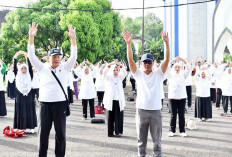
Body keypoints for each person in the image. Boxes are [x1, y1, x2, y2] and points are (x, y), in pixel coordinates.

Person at [28, 22, 77, 157]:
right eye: (54, 56)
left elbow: (73, 57)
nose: (57, 59)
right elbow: (31, 56)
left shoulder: (65, 68)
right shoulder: (42, 68)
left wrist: (73, 39)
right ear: (49, 58)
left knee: (60, 135)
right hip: (44, 105)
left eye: (58, 56)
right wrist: (31, 38)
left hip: (60, 105)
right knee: (43, 135)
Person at [122, 31, 170, 157]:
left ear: (153, 63)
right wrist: (128, 44)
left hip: (155, 111)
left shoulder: (159, 74)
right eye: (145, 62)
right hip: (141, 110)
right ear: (142, 63)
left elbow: (167, 59)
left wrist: (166, 43)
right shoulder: (138, 74)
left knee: (157, 141)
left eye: (149, 62)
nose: (147, 64)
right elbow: (130, 60)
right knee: (141, 141)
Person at [13, 51, 37, 133]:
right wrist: (15, 57)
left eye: (25, 68)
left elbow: (30, 66)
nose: (23, 70)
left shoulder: (30, 74)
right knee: (20, 110)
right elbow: (14, 68)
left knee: (29, 110)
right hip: (19, 94)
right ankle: (20, 127)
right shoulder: (17, 75)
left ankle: (31, 127)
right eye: (22, 68)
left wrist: (27, 56)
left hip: (29, 94)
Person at [166, 57, 190, 137]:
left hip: (182, 97)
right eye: (175, 67)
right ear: (173, 67)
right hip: (172, 97)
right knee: (173, 115)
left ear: (181, 68)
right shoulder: (170, 74)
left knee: (181, 114)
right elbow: (166, 68)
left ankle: (182, 131)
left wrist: (183, 60)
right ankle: (172, 130)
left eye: (178, 67)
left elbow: (188, 69)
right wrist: (172, 61)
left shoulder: (183, 74)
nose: (177, 68)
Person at [103, 60, 127, 137]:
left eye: (117, 70)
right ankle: (110, 132)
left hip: (118, 100)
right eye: (114, 70)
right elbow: (104, 72)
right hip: (110, 100)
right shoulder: (108, 78)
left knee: (119, 116)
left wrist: (120, 65)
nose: (115, 72)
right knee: (110, 117)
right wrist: (110, 64)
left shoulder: (120, 78)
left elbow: (125, 72)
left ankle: (118, 131)